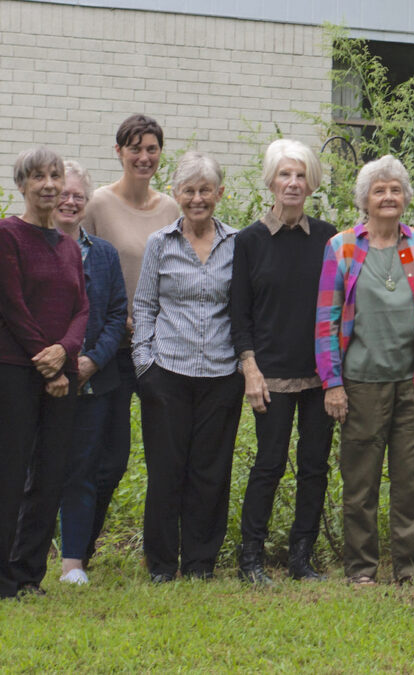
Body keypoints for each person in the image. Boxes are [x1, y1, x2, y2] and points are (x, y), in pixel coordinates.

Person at [316, 154, 414, 588]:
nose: (388, 197)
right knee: (360, 481)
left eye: (395, 189)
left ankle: (410, 568)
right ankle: (361, 569)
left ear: (405, 197)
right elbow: (326, 320)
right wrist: (332, 382)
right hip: (361, 382)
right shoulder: (342, 247)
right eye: (379, 190)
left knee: (412, 479)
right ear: (365, 200)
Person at [14, 161, 126, 588]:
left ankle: (73, 562)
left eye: (79, 195)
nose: (70, 200)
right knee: (34, 470)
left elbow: (115, 313)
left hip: (92, 379)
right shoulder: (24, 245)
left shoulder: (104, 254)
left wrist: (90, 361)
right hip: (38, 375)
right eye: (65, 194)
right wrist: (55, 364)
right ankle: (23, 559)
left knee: (83, 469)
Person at [132, 151, 242, 582]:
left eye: (206, 190)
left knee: (210, 473)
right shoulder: (161, 243)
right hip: (168, 374)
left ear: (220, 193)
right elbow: (144, 306)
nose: (198, 199)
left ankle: (200, 562)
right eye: (189, 191)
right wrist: (145, 364)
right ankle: (161, 564)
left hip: (221, 374)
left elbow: (243, 309)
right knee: (166, 472)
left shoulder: (238, 243)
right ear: (176, 194)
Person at [232, 140, 337, 585]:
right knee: (269, 464)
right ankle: (250, 560)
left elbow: (339, 309)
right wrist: (250, 370)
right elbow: (240, 314)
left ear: (311, 183)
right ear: (271, 181)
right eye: (284, 175)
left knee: (315, 465)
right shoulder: (249, 241)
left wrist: (337, 376)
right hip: (271, 373)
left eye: (300, 175)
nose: (292, 183)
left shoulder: (330, 238)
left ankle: (301, 558)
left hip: (320, 374)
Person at [81, 114, 180, 563]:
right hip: (113, 353)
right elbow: (81, 273)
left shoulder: (170, 209)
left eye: (152, 148)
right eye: (135, 148)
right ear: (118, 151)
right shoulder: (96, 205)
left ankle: (160, 552)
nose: (144, 157)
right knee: (109, 459)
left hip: (161, 351)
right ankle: (79, 548)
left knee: (169, 456)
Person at [0, 148, 88, 599]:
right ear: (22, 185)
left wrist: (64, 352)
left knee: (50, 475)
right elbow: (10, 303)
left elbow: (82, 309)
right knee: (11, 473)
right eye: (39, 177)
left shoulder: (71, 247)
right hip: (16, 369)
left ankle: (27, 573)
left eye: (55, 175)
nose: (50, 184)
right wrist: (44, 356)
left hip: (62, 374)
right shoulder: (7, 235)